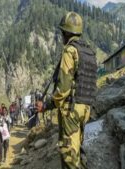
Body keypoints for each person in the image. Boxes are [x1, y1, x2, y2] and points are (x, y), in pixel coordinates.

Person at [36, 12, 97, 169]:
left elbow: (63, 89)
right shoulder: (89, 51)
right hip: (86, 108)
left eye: (62, 32)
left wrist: (48, 104)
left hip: (71, 110)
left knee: (69, 156)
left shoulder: (70, 51)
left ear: (65, 32)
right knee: (77, 152)